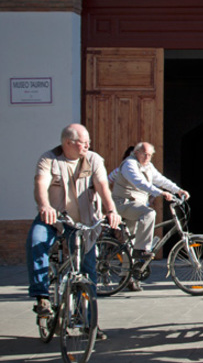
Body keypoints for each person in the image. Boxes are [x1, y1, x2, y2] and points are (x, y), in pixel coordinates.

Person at [26, 123, 121, 339]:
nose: (88, 145)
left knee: (88, 273)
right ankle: (41, 297)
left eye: (88, 141)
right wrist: (44, 206)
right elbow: (40, 184)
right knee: (35, 241)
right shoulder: (49, 159)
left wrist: (112, 211)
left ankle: (89, 324)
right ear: (68, 143)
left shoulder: (93, 159)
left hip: (83, 224)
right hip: (54, 219)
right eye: (83, 142)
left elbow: (102, 186)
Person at [111, 141, 190, 291]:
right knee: (149, 213)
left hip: (137, 204)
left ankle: (127, 277)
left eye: (150, 155)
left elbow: (160, 179)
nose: (147, 157)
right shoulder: (129, 164)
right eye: (144, 154)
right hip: (124, 203)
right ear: (136, 153)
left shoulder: (148, 166)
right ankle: (142, 250)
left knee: (131, 241)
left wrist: (178, 190)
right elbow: (139, 182)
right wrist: (159, 193)